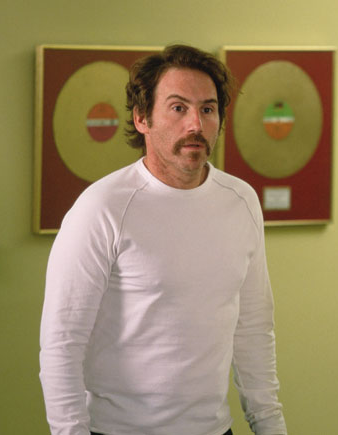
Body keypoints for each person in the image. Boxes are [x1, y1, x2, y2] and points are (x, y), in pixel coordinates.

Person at [39, 44, 287, 435]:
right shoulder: (102, 207)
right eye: (178, 108)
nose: (195, 124)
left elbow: (253, 330)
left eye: (208, 109)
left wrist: (271, 426)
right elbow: (62, 344)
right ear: (142, 118)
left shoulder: (241, 201)